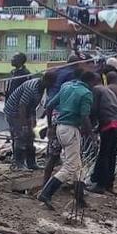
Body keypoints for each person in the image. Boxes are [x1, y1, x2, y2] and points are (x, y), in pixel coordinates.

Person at [38, 71, 96, 210]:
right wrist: (92, 136)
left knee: (77, 165)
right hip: (71, 129)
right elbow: (84, 117)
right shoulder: (86, 93)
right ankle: (46, 193)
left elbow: (50, 105)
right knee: (70, 166)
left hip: (60, 128)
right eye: (95, 82)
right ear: (90, 81)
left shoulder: (66, 86)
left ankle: (79, 198)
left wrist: (51, 125)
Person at [44, 55, 82, 185]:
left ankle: (46, 183)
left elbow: (49, 97)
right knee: (72, 153)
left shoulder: (58, 70)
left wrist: (49, 125)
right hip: (64, 113)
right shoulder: (72, 77)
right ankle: (69, 184)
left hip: (53, 110)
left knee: (54, 152)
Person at [3, 73, 54, 170]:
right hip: (14, 111)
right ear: (45, 81)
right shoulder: (31, 88)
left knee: (30, 136)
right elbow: (22, 106)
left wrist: (32, 121)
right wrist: (24, 125)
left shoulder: (41, 89)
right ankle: (19, 163)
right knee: (21, 135)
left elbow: (32, 106)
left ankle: (31, 163)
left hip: (26, 111)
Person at [89, 75, 117, 194]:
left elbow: (94, 110)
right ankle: (109, 184)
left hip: (109, 124)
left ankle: (100, 186)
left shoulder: (96, 90)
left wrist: (90, 127)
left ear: (94, 81)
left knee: (104, 155)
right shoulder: (108, 90)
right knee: (111, 155)